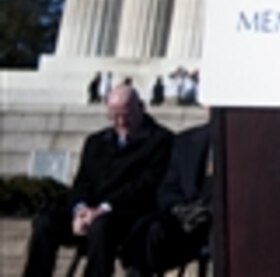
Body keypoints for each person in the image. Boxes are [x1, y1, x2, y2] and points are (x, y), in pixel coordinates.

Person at [23, 85, 173, 277]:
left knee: (101, 227)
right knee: (44, 222)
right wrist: (80, 209)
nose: (121, 122)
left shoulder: (162, 141)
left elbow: (145, 186)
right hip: (91, 213)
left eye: (127, 115)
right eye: (114, 116)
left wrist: (103, 208)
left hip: (128, 216)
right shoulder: (96, 141)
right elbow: (82, 181)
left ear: (141, 107)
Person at [121, 123, 212, 277]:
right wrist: (179, 208)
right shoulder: (185, 141)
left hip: (222, 223)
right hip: (185, 223)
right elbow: (168, 189)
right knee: (149, 230)